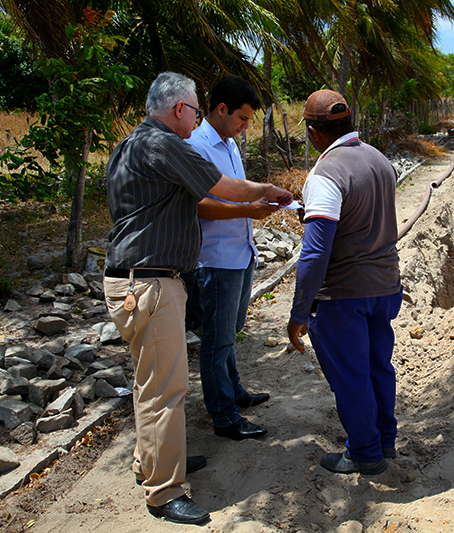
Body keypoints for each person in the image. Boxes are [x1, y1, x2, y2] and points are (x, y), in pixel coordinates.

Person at [104, 72, 292, 524]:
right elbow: (220, 189)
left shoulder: (129, 145)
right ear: (178, 109)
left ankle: (150, 462)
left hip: (135, 281)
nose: (194, 118)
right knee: (165, 391)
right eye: (192, 109)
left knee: (151, 384)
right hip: (150, 282)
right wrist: (267, 193)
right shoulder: (164, 143)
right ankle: (164, 491)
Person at [286, 89, 402, 476]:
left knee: (351, 376)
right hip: (385, 286)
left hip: (343, 294)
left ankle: (365, 453)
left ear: (314, 131)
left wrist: (300, 311)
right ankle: (386, 440)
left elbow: (316, 253)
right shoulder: (380, 161)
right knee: (377, 367)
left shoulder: (326, 173)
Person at [186, 76, 277, 440]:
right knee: (216, 339)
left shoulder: (229, 143)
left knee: (229, 331)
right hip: (216, 258)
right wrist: (247, 212)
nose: (245, 127)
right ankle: (223, 415)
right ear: (221, 109)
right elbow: (197, 205)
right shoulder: (196, 145)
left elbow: (237, 194)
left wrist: (256, 206)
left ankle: (234, 390)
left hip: (240, 253)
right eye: (242, 118)